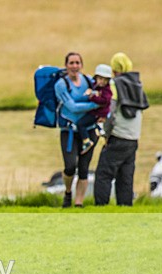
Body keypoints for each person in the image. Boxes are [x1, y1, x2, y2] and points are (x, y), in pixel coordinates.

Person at [94, 53, 150, 206]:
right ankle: (125, 208)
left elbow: (110, 112)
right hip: (133, 138)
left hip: (118, 136)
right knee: (125, 177)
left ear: (114, 68)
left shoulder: (114, 84)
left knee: (103, 174)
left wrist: (105, 134)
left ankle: (101, 208)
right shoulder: (137, 84)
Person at [54, 52, 99, 208]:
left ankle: (78, 203)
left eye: (77, 63)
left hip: (89, 129)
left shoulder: (89, 81)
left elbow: (100, 94)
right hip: (70, 130)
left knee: (84, 168)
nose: (74, 66)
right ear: (66, 65)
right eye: (71, 63)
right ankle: (68, 192)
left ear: (81, 65)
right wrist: (94, 105)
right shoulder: (61, 85)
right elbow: (72, 106)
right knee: (70, 166)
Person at [77, 64, 114, 155]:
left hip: (98, 113)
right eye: (100, 79)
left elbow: (104, 101)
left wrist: (92, 97)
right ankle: (99, 129)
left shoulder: (106, 90)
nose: (102, 82)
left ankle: (86, 141)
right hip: (96, 112)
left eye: (105, 80)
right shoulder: (95, 86)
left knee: (80, 124)